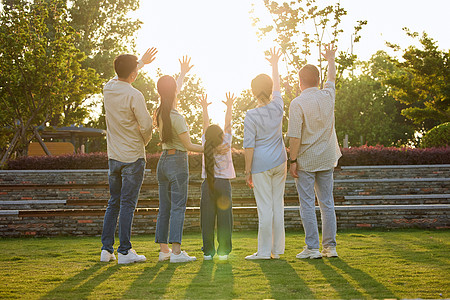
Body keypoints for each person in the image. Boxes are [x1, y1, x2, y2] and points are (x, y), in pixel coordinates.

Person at [100, 47, 158, 264]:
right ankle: (125, 251)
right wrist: (144, 142)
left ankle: (106, 250)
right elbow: (146, 125)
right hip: (133, 156)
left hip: (113, 157)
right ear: (133, 74)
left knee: (113, 203)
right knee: (127, 204)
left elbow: (120, 75)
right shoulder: (135, 94)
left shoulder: (108, 89)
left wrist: (140, 62)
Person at [287, 44, 342, 259]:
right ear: (317, 81)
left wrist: (292, 160)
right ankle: (330, 247)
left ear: (299, 82)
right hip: (327, 158)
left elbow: (295, 136)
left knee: (307, 204)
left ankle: (312, 248)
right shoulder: (328, 95)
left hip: (307, 160)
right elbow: (332, 78)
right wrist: (330, 59)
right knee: (327, 203)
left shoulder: (297, 103)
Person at [154, 56, 203, 263]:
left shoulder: (159, 113)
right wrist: (212, 149)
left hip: (163, 162)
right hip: (177, 162)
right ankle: (176, 252)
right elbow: (190, 146)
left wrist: (182, 74)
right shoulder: (177, 117)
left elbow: (173, 92)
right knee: (178, 207)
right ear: (173, 91)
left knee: (164, 207)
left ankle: (164, 251)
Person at [243, 48, 287, 260]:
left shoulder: (251, 115)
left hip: (261, 165)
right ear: (269, 90)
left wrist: (247, 170)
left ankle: (263, 252)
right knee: (277, 206)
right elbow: (277, 84)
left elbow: (249, 146)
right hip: (280, 162)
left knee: (265, 208)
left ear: (253, 92)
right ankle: (276, 251)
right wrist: (275, 63)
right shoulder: (279, 105)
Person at [197, 92, 236, 261]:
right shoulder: (226, 141)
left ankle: (208, 252)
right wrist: (229, 106)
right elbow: (228, 123)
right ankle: (224, 252)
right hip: (223, 184)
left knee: (207, 218)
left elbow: (206, 124)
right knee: (224, 218)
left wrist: (204, 108)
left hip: (208, 185)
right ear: (220, 134)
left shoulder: (206, 143)